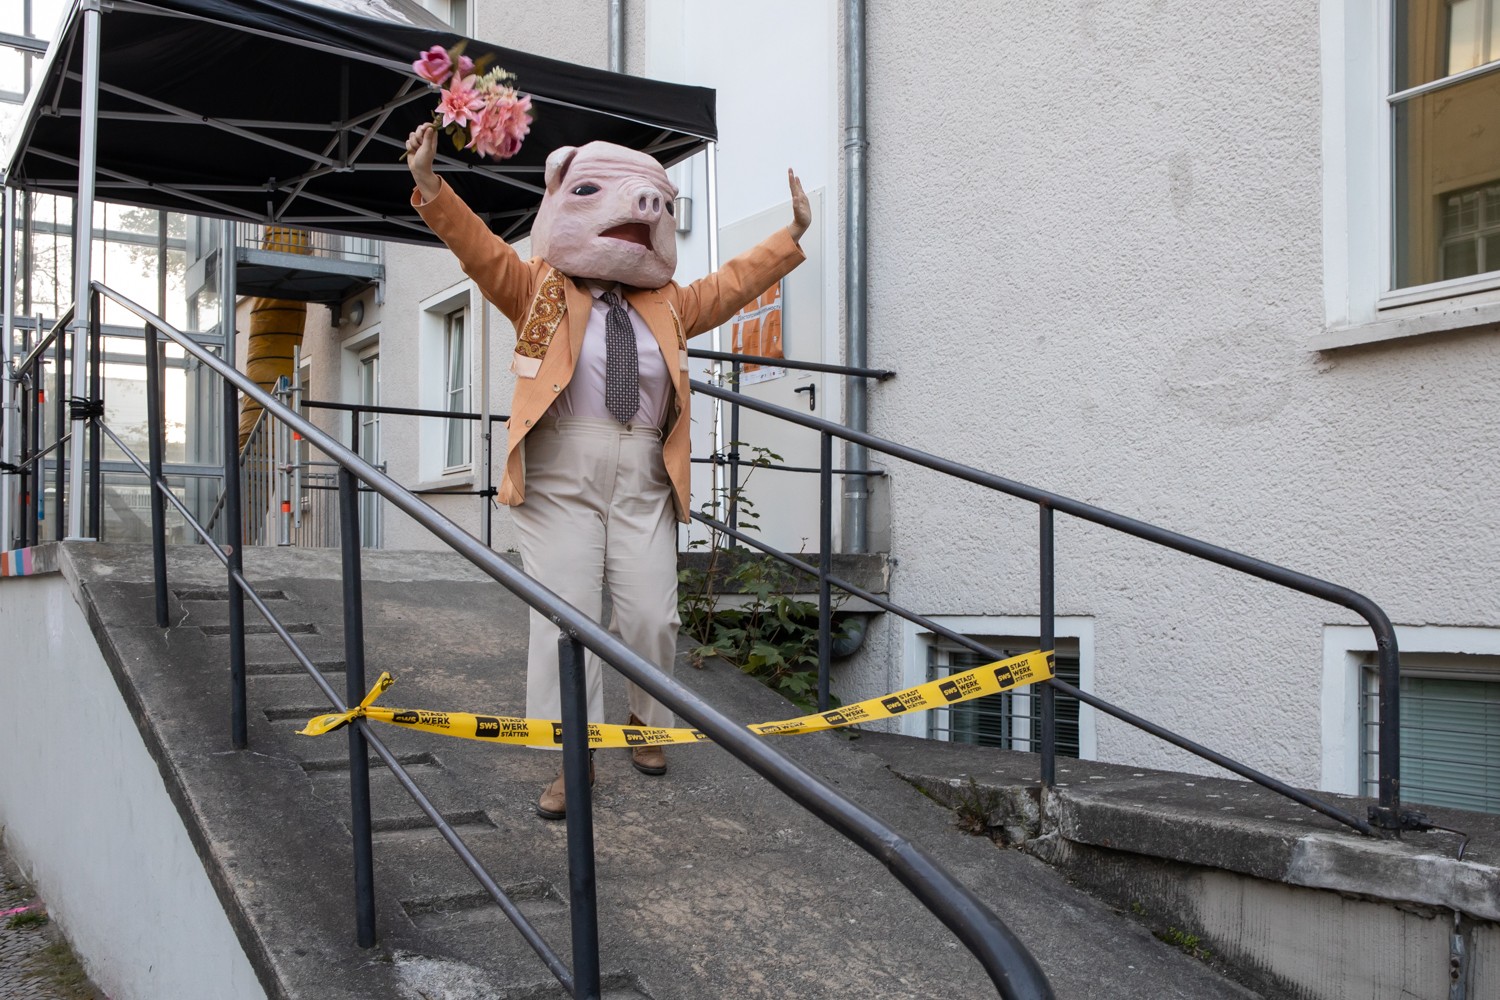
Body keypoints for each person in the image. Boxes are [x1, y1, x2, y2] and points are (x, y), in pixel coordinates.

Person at [405, 122, 810, 818]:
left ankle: (646, 721)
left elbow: (732, 285)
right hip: (559, 475)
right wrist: (430, 186)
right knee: (565, 620)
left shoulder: (668, 303)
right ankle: (573, 755)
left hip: (644, 475)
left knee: (654, 615)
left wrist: (791, 233)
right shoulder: (541, 290)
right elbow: (481, 252)